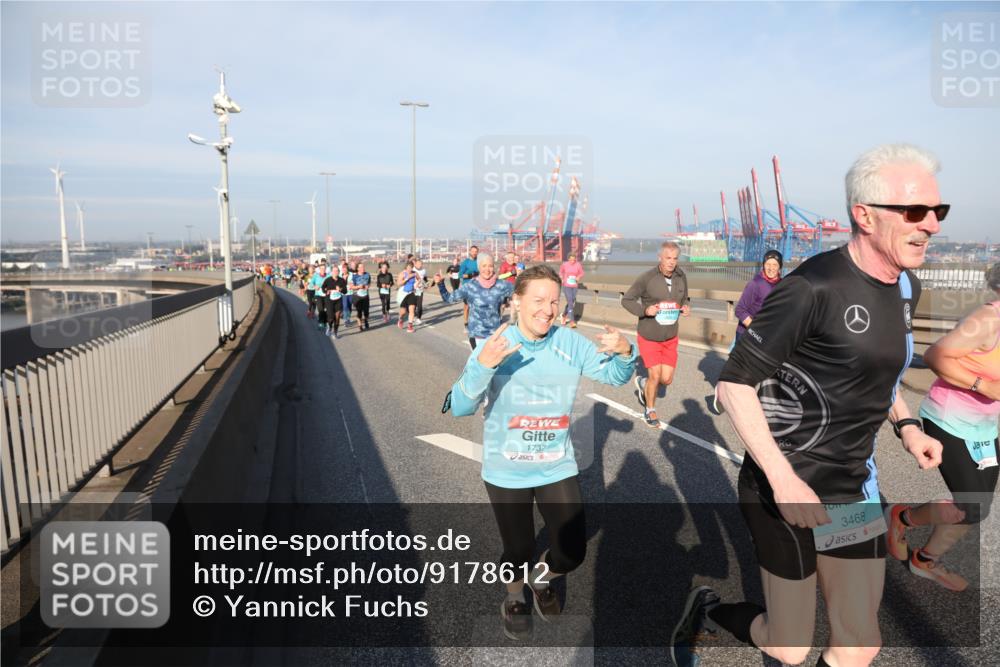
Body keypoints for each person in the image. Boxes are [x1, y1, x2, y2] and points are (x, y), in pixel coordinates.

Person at [672, 144, 947, 667]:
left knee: (859, 645)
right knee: (790, 647)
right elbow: (734, 386)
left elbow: (876, 370)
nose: (931, 224)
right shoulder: (810, 288)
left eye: (937, 211)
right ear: (864, 215)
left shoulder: (906, 288)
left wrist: (908, 425)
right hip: (785, 486)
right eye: (915, 211)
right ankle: (708, 611)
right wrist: (783, 480)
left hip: (852, 488)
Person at [446, 264, 636, 641]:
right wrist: (483, 367)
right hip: (507, 469)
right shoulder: (494, 346)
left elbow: (615, 377)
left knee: (572, 553)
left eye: (553, 301)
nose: (547, 310)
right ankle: (514, 597)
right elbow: (460, 407)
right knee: (517, 549)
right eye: (538, 300)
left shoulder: (570, 343)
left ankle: (542, 578)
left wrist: (625, 352)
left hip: (555, 465)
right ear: (516, 301)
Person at [885, 262, 1000, 591]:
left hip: (985, 427)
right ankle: (901, 518)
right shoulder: (988, 320)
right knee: (971, 506)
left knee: (978, 508)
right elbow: (936, 356)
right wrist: (984, 386)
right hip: (949, 419)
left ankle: (924, 560)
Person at [621, 242, 690, 427]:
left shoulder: (681, 276)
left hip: (670, 337)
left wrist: (685, 307)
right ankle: (650, 410)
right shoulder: (647, 278)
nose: (671, 262)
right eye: (668, 258)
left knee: (666, 379)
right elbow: (627, 300)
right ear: (660, 257)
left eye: (675, 258)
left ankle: (644, 384)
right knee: (655, 375)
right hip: (649, 336)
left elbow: (684, 298)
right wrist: (645, 310)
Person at [435, 252, 513, 349]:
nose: (487, 269)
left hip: (495, 335)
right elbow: (449, 298)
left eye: (490, 266)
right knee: (480, 359)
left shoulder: (502, 285)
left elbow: (521, 296)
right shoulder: (470, 286)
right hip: (476, 335)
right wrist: (440, 284)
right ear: (479, 267)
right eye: (484, 266)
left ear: (494, 267)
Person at [734, 250, 783, 341]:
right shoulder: (756, 284)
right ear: (763, 265)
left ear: (780, 267)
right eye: (768, 264)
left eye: (775, 265)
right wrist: (756, 330)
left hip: (767, 336)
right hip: (747, 335)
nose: (771, 268)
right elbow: (739, 310)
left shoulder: (782, 285)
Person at [558, 252, 584, 327]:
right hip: (566, 286)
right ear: (568, 259)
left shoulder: (578, 265)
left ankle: (563, 315)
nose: (572, 261)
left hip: (574, 286)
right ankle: (572, 321)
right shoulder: (564, 264)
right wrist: (562, 278)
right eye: (571, 259)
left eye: (574, 259)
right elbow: (560, 272)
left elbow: (582, 273)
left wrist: (578, 277)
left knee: (571, 302)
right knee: (570, 302)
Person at [459, 246, 481, 333]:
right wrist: (470, 275)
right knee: (467, 307)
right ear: (470, 252)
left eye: (476, 251)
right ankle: (466, 325)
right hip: (467, 287)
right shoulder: (465, 262)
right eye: (473, 251)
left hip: (477, 286)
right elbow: (460, 275)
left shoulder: (479, 262)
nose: (474, 253)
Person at [322, 265, 347, 339]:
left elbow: (345, 291)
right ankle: (329, 327)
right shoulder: (328, 280)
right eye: (334, 271)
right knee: (331, 318)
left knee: (337, 317)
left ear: (339, 272)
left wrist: (340, 289)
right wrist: (326, 291)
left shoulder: (342, 280)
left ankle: (335, 333)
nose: (335, 272)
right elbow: (323, 287)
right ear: (332, 272)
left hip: (338, 300)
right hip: (329, 300)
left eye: (337, 271)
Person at [397, 260, 419, 333]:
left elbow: (419, 279)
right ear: (406, 267)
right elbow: (398, 284)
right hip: (403, 294)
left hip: (411, 293)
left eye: (411, 267)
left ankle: (410, 326)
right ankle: (400, 319)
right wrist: (407, 278)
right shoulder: (402, 274)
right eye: (409, 267)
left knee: (412, 309)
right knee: (403, 312)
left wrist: (417, 284)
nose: (410, 269)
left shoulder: (414, 273)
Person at [349, 261, 372, 331]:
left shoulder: (367, 275)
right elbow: (351, 287)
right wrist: (358, 287)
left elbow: (369, 283)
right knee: (359, 311)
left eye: (363, 267)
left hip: (365, 296)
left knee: (366, 312)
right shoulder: (354, 276)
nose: (363, 268)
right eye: (361, 267)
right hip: (357, 296)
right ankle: (360, 325)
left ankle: (366, 320)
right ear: (358, 268)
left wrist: (368, 286)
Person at [310, 264, 329, 331]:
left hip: (326, 295)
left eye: (324, 268)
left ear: (325, 269)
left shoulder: (328, 276)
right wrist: (315, 286)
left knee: (326, 310)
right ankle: (321, 323)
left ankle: (324, 321)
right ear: (319, 269)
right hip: (318, 295)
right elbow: (311, 283)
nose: (323, 270)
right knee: (321, 309)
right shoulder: (316, 276)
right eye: (321, 268)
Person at [413, 258, 428, 325]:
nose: (420, 265)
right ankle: (413, 315)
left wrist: (426, 284)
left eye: (421, 264)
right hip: (413, 290)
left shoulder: (424, 271)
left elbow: (425, 279)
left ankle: (419, 318)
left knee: (419, 305)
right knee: (413, 305)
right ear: (415, 264)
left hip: (420, 289)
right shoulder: (413, 270)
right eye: (418, 264)